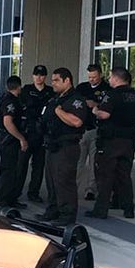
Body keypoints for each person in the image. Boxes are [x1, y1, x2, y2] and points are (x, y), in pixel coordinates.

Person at [86, 67, 135, 219]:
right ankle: (128, 208)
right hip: (129, 141)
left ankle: (101, 210)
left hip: (111, 141)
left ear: (117, 79)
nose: (109, 80)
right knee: (124, 175)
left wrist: (95, 110)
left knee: (105, 175)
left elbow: (104, 114)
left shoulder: (111, 95)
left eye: (111, 77)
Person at [36, 68, 88, 226]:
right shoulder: (55, 98)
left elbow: (76, 121)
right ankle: (53, 210)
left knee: (64, 181)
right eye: (52, 80)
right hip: (52, 144)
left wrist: (59, 112)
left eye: (57, 80)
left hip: (67, 145)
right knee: (51, 181)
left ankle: (67, 215)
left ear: (67, 81)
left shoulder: (76, 100)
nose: (53, 83)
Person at [75, 64, 110, 202]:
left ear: (100, 75)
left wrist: (96, 105)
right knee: (78, 161)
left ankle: (91, 190)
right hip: (82, 130)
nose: (91, 80)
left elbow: (110, 107)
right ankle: (73, 188)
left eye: (94, 77)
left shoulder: (106, 89)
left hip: (97, 130)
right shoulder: (82, 88)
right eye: (89, 77)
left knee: (94, 162)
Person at [18, 65, 53, 202]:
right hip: (28, 131)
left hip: (42, 133)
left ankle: (34, 193)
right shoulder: (26, 90)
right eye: (37, 75)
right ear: (33, 76)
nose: (39, 77)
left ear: (45, 76)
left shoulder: (50, 92)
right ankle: (16, 191)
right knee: (21, 165)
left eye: (42, 75)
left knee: (38, 165)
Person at [0, 75, 28, 209]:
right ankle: (3, 201)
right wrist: (21, 138)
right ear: (19, 86)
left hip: (7, 138)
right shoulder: (10, 101)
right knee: (8, 171)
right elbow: (8, 122)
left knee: (13, 171)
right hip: (8, 139)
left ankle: (10, 199)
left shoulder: (7, 98)